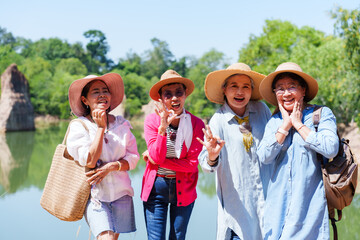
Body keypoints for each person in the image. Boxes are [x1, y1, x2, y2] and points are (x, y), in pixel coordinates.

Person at [257, 62, 339, 240]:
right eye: (280, 88)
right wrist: (285, 126)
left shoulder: (321, 115)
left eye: (291, 86)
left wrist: (298, 124)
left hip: (309, 211)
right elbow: (263, 156)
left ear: (303, 90)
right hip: (276, 212)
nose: (286, 93)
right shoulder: (274, 121)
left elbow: (331, 148)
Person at [197, 63, 272, 240]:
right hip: (237, 211)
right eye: (234, 86)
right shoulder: (218, 121)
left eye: (245, 87)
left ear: (251, 90)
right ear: (224, 89)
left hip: (267, 208)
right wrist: (212, 156)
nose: (240, 92)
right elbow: (206, 166)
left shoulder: (262, 111)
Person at [66, 73, 140, 240]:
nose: (102, 94)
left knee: (112, 238)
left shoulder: (121, 124)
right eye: (95, 92)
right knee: (105, 237)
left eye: (105, 90)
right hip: (95, 197)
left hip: (122, 194)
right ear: (85, 100)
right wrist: (100, 129)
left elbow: (134, 157)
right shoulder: (79, 127)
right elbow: (89, 160)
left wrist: (112, 166)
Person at [141, 69, 205, 240]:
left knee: (177, 237)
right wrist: (162, 129)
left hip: (183, 188)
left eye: (179, 93)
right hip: (156, 188)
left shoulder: (196, 124)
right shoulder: (152, 122)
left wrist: (156, 160)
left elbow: (191, 165)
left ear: (185, 95)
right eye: (168, 95)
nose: (174, 98)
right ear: (161, 99)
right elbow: (158, 155)